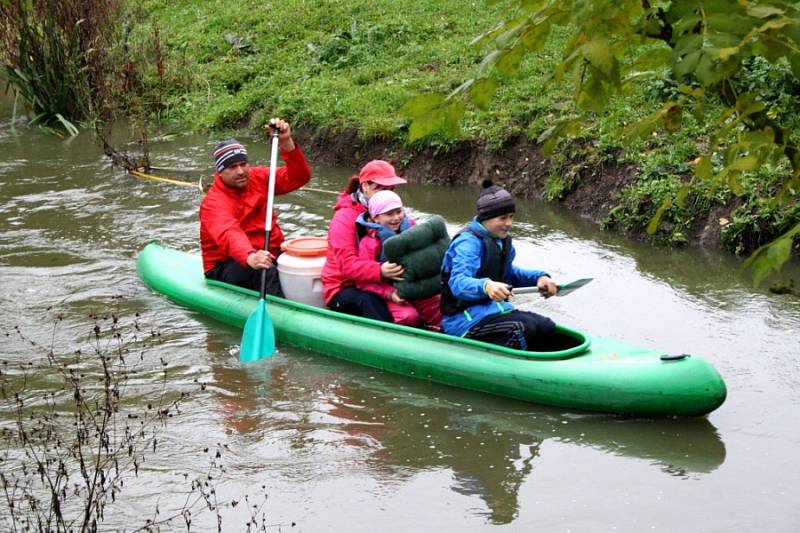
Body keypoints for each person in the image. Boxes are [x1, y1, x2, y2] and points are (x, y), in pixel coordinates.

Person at [440, 179, 559, 351]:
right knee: (520, 328)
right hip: (462, 319)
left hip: (493, 310)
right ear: (485, 218)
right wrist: (486, 286)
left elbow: (509, 274)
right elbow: (458, 283)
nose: (509, 223)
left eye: (511, 217)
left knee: (546, 326)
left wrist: (539, 278)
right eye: (503, 218)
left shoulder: (500, 241)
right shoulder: (468, 243)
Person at [199, 119, 311, 295]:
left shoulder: (259, 177)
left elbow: (299, 177)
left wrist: (286, 142)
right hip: (228, 263)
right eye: (232, 167)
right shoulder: (213, 203)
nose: (241, 171)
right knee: (266, 271)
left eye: (243, 164)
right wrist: (249, 256)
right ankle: (282, 314)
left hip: (269, 252)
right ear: (220, 171)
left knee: (304, 264)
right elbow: (229, 234)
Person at [322, 160, 407, 321]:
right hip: (345, 286)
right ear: (365, 186)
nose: (386, 194)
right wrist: (380, 270)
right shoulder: (344, 218)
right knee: (370, 303)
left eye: (390, 189)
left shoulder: (393, 211)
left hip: (382, 281)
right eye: (380, 189)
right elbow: (347, 265)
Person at [355, 190, 443, 329]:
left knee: (440, 307)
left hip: (416, 286)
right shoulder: (369, 243)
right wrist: (390, 294)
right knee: (408, 317)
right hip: (390, 292)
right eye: (389, 214)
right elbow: (362, 282)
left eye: (399, 211)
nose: (396, 218)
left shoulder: (414, 230)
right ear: (375, 218)